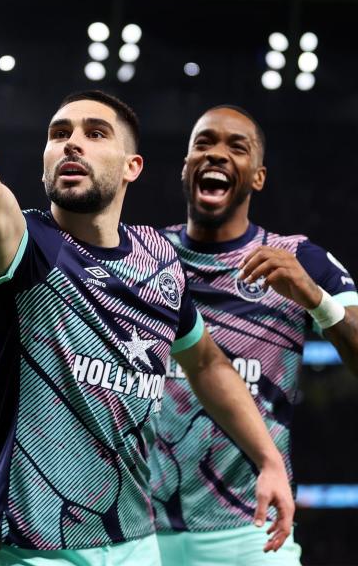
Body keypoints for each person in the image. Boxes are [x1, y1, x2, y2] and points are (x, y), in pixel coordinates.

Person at [0, 33, 294, 565]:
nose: (72, 143)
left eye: (95, 133)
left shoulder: (161, 259)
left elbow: (206, 362)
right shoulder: (28, 246)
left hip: (136, 542)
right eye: (59, 134)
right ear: (44, 164)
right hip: (34, 548)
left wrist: (268, 459)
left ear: (132, 166)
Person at [151, 105, 358, 565]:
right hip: (140, 535)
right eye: (203, 144)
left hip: (251, 534)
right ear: (185, 167)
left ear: (258, 177)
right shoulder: (144, 256)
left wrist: (316, 299)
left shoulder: (299, 258)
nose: (217, 154)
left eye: (236, 147)